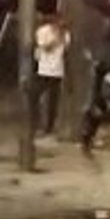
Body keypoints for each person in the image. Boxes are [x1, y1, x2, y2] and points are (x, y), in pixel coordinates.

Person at [34, 10, 68, 138]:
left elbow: (66, 50)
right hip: (44, 69)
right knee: (41, 97)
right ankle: (40, 124)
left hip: (57, 70)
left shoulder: (65, 34)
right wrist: (57, 37)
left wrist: (62, 36)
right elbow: (46, 47)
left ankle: (50, 126)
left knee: (53, 100)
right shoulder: (43, 31)